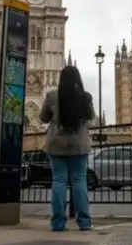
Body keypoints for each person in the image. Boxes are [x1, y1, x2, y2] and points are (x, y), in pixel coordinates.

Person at [39, 65, 95, 232]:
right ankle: (84, 222)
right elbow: (91, 116)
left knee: (59, 181)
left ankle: (58, 223)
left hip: (57, 144)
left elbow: (43, 117)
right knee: (79, 181)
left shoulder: (51, 96)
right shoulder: (85, 97)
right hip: (79, 144)